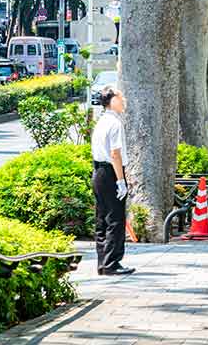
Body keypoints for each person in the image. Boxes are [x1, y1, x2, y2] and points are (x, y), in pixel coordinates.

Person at [91, 87, 134, 276]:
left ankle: (103, 262)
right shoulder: (115, 124)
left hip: (98, 171)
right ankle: (112, 263)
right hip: (110, 172)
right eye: (120, 96)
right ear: (112, 100)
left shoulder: (101, 121)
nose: (124, 100)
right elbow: (115, 154)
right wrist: (121, 181)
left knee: (102, 219)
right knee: (115, 218)